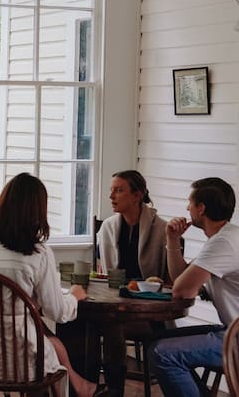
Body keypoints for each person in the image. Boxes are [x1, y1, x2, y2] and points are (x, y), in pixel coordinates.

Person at [0, 173, 108, 397]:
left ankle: (81, 386)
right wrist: (74, 296)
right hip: (21, 364)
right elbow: (57, 312)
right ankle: (81, 387)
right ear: (37, 212)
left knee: (40, 334)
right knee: (44, 342)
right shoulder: (37, 253)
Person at [149, 177, 239, 397]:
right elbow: (181, 279)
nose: (187, 208)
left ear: (201, 208)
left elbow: (181, 290)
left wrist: (183, 284)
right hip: (231, 331)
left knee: (162, 353)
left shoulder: (223, 243)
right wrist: (172, 240)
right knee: (157, 340)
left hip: (235, 339)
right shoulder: (226, 237)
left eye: (190, 202)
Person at [96, 170, 168, 396]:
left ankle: (114, 389)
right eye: (111, 190)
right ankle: (84, 386)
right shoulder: (108, 227)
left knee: (112, 325)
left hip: (147, 312)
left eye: (119, 190)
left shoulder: (162, 230)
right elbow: (104, 273)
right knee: (78, 323)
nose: (111, 196)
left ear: (137, 195)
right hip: (113, 304)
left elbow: (168, 282)